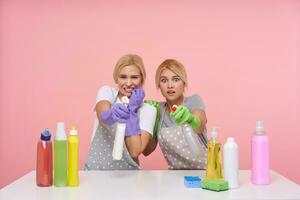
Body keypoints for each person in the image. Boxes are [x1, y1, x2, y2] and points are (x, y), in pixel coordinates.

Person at [84, 54, 156, 170]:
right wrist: (112, 114)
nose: (128, 83)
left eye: (134, 77)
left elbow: (134, 151)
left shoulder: (148, 110)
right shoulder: (107, 93)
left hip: (128, 174)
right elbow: (103, 119)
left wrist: (131, 111)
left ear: (142, 79)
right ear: (116, 78)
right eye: (123, 77)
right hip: (96, 170)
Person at [144, 59, 208, 169]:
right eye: (164, 80)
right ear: (159, 85)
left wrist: (190, 119)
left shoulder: (194, 101)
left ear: (184, 83)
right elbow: (147, 151)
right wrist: (149, 121)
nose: (170, 85)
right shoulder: (158, 110)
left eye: (176, 79)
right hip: (174, 176)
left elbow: (200, 126)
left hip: (205, 172)